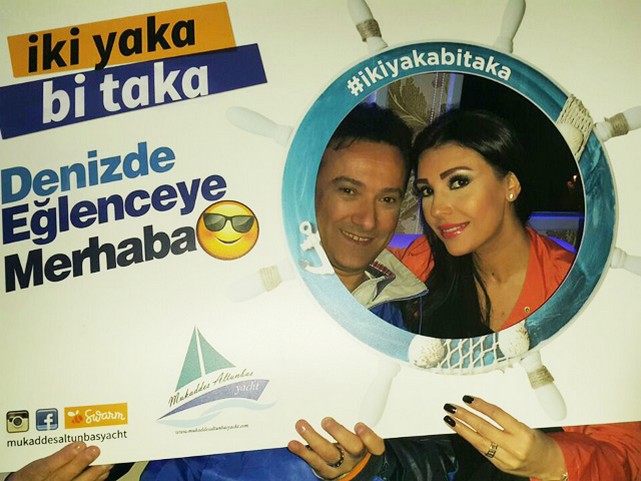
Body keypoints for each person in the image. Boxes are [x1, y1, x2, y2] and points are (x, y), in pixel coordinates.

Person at [5, 104, 453, 481]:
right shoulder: (216, 284)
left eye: (387, 199)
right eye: (348, 190)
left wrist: (370, 469)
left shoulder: (422, 314)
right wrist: (65, 465)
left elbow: (443, 460)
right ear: (307, 189)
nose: (368, 220)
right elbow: (129, 409)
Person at [290, 109, 641, 481]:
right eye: (427, 191)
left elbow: (629, 454)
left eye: (458, 182)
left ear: (510, 185)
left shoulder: (580, 292)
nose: (437, 209)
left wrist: (552, 461)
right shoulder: (416, 268)